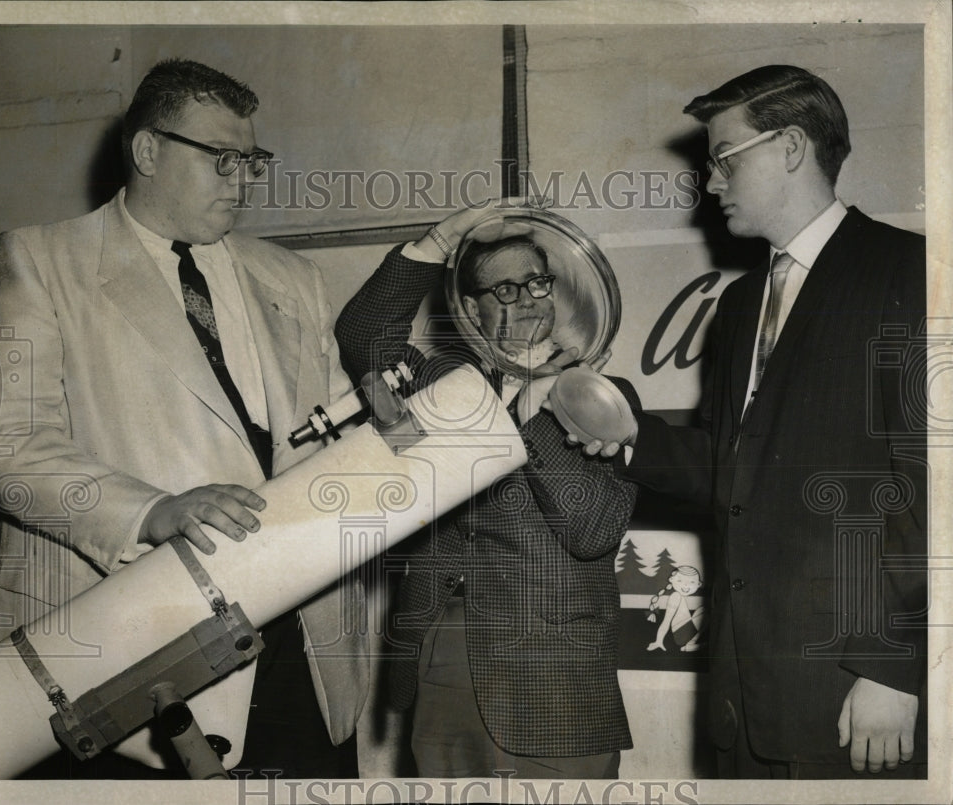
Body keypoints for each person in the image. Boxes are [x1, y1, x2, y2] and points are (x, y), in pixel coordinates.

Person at [0, 59, 366, 779]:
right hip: (126, 665)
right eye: (221, 158)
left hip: (298, 660)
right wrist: (151, 511)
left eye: (250, 160)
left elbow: (336, 434)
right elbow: (8, 449)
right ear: (148, 150)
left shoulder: (295, 278)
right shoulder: (40, 260)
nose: (242, 179)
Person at [555, 65, 927, 778]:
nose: (711, 183)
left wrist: (891, 667)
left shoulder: (910, 272)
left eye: (724, 158)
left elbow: (933, 489)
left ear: (790, 147)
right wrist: (635, 436)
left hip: (857, 694)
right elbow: (736, 476)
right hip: (744, 698)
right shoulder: (739, 304)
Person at [334, 206, 639, 779]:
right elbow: (363, 334)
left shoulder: (601, 394)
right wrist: (436, 241)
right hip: (441, 658)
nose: (527, 298)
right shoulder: (445, 388)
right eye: (505, 287)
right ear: (472, 308)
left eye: (537, 282)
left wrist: (534, 411)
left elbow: (592, 528)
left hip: (554, 682)